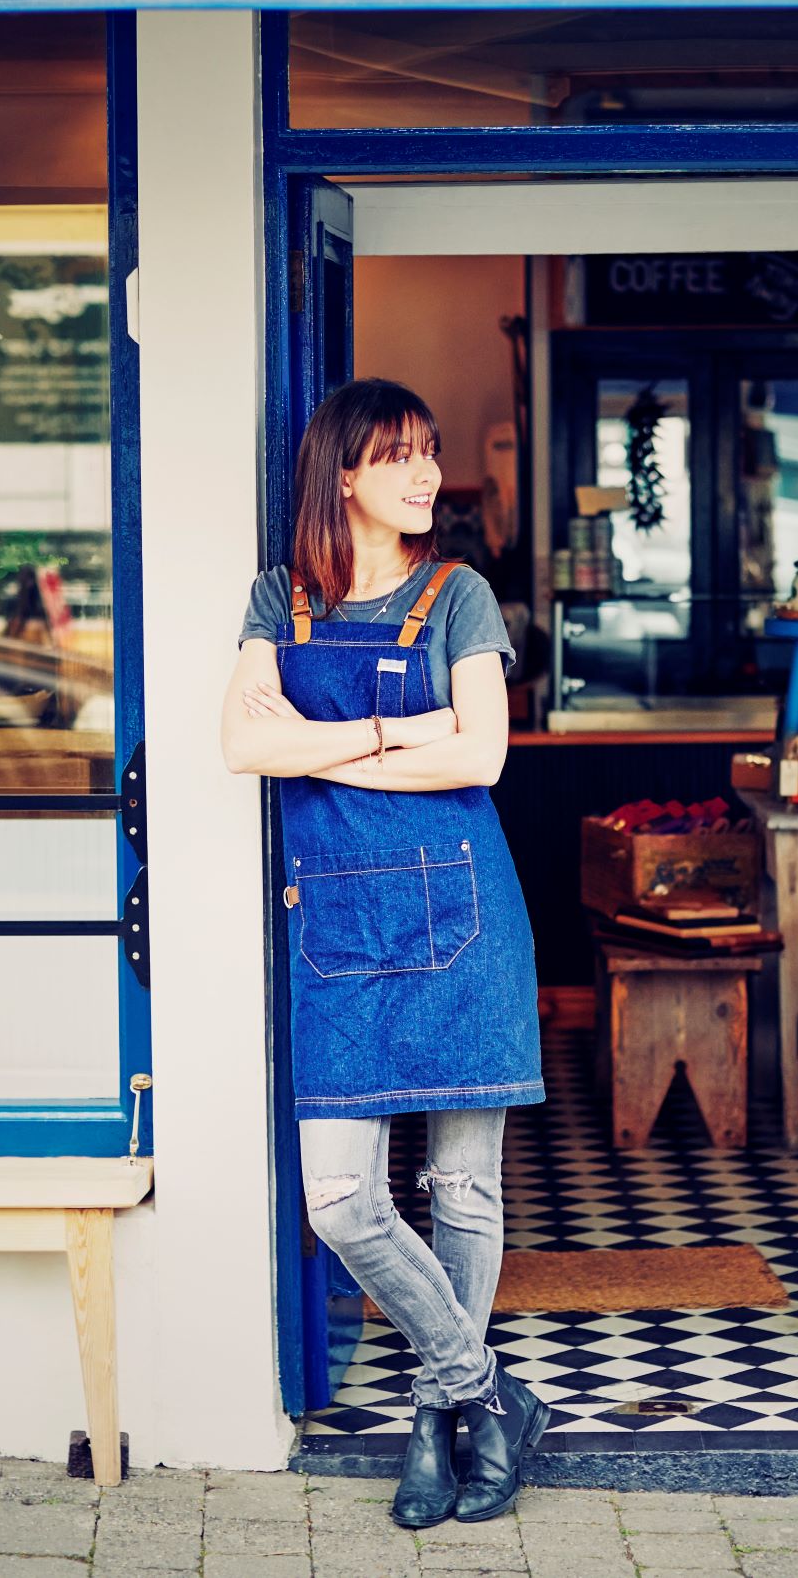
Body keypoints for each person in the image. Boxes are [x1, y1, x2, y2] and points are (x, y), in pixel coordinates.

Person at [220, 378, 547, 1527]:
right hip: (343, 938)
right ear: (342, 476)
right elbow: (235, 741)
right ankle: (482, 1394)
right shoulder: (280, 597)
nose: (424, 475)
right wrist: (393, 731)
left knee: (460, 1187)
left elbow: (484, 758)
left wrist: (318, 748)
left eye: (430, 450)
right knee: (343, 1201)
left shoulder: (460, 594)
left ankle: (430, 1418)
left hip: (462, 921)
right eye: (398, 457)